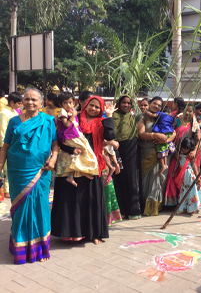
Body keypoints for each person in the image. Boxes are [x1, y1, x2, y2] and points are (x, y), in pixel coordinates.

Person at [0, 88, 58, 264]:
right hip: (18, 171)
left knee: (40, 207)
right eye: (27, 99)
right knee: (21, 209)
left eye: (34, 99)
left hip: (41, 170)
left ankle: (40, 248)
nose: (30, 102)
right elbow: (5, 147)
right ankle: (20, 246)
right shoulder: (14, 121)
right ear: (22, 102)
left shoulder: (48, 121)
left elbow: (55, 145)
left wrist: (54, 158)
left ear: (41, 102)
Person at [52, 96, 117, 245]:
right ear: (85, 105)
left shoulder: (101, 123)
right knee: (71, 200)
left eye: (97, 107)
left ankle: (94, 233)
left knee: (92, 200)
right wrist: (71, 149)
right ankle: (69, 233)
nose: (93, 109)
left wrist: (110, 116)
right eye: (91, 105)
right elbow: (62, 138)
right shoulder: (73, 119)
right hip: (72, 162)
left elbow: (110, 136)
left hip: (92, 166)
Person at [137, 96, 176, 215]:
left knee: (159, 179)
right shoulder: (141, 117)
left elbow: (173, 132)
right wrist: (155, 135)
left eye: (159, 105)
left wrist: (165, 140)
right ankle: (146, 206)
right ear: (149, 104)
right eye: (154, 103)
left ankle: (156, 206)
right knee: (148, 179)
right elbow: (141, 134)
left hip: (162, 152)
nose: (156, 106)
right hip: (147, 152)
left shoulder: (161, 117)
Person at [56, 92, 99, 187]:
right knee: (84, 149)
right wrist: (72, 116)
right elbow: (67, 125)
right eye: (65, 103)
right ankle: (81, 170)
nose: (68, 105)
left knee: (81, 152)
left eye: (70, 102)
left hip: (75, 135)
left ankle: (77, 172)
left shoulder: (72, 112)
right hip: (68, 136)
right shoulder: (63, 112)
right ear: (61, 104)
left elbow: (76, 126)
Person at [112, 95, 143, 219]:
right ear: (119, 103)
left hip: (132, 150)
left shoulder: (133, 118)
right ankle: (122, 210)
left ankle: (134, 211)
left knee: (132, 180)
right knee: (119, 180)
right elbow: (111, 135)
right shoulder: (113, 117)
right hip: (117, 150)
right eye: (124, 102)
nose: (126, 105)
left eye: (129, 103)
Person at [165, 103, 201, 207]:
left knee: (189, 177)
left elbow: (199, 139)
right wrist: (174, 151)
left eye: (191, 111)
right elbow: (169, 135)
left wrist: (194, 151)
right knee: (172, 174)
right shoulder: (177, 121)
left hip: (189, 154)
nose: (188, 113)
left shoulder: (194, 123)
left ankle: (188, 202)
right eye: (187, 110)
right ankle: (174, 202)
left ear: (193, 113)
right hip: (175, 153)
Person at [0, 92, 22, 198]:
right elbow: (2, 130)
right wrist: (4, 145)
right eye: (18, 103)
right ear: (11, 102)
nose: (20, 106)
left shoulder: (14, 112)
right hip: (6, 144)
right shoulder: (4, 113)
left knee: (12, 166)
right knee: (6, 168)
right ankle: (7, 190)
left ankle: (10, 189)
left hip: (14, 143)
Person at [176, 137, 201, 214]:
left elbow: (194, 167)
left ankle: (193, 208)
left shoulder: (191, 156)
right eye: (183, 148)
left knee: (192, 191)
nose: (184, 150)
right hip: (183, 177)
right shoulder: (180, 154)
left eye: (186, 148)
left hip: (190, 177)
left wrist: (198, 178)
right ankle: (184, 208)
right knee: (184, 191)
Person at [144, 105, 175, 174]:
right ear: (170, 111)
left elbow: (152, 115)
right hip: (170, 132)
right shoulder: (171, 117)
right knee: (165, 147)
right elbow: (173, 123)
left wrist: (146, 111)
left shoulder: (160, 114)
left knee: (159, 148)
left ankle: (163, 165)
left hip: (163, 132)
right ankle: (165, 164)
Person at [101, 144, 122, 226]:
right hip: (101, 162)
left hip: (103, 164)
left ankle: (106, 219)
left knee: (107, 190)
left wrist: (116, 164)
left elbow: (111, 149)